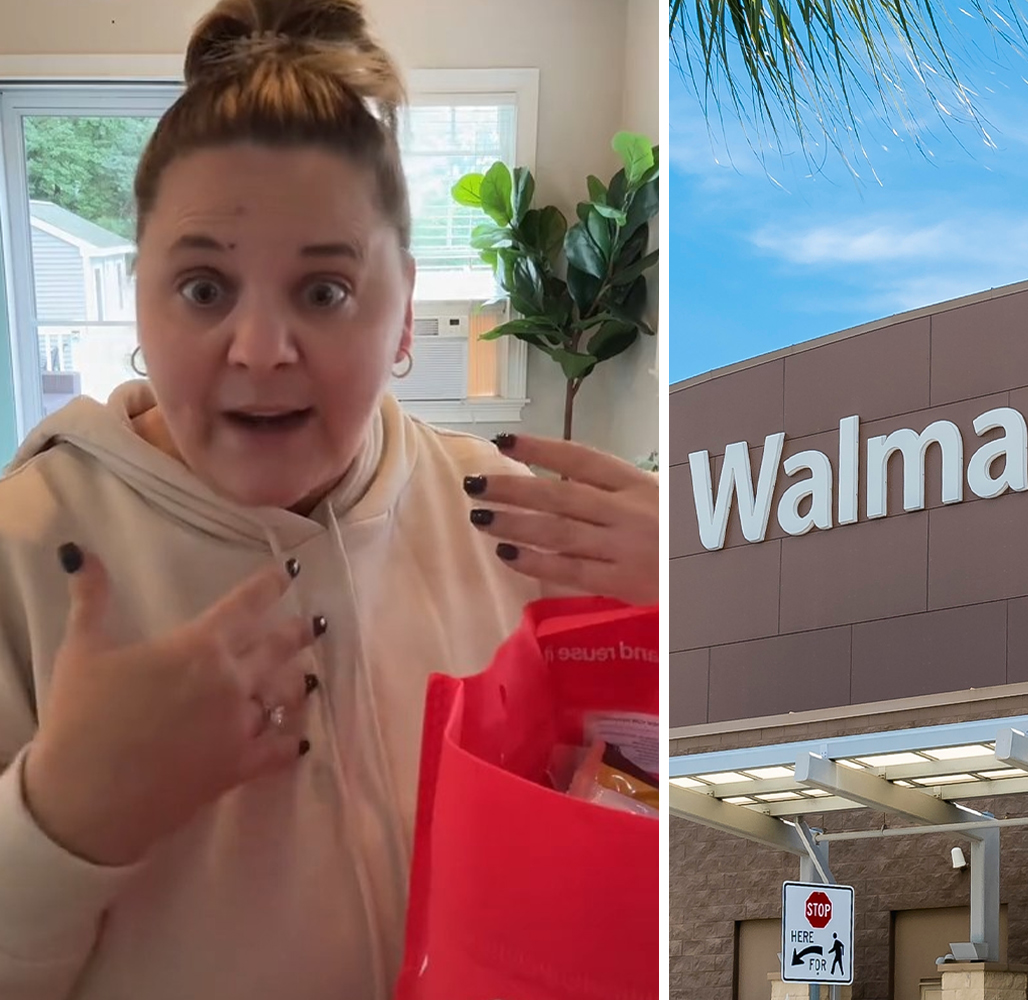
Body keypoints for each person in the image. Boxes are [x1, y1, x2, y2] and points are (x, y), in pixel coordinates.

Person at [0, 1, 658, 997]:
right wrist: (61, 822)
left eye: (325, 292)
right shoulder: (24, 549)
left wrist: (695, 621)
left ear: (405, 315)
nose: (260, 349)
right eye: (204, 288)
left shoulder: (522, 525)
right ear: (141, 295)